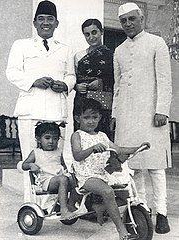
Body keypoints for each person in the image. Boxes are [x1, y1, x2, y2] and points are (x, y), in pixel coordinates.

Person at [111, 2, 172, 234]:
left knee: (155, 166)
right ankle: (142, 210)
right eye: (123, 21)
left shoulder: (157, 43)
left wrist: (162, 110)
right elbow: (117, 86)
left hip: (151, 113)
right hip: (126, 115)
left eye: (132, 19)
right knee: (133, 167)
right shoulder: (119, 50)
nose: (128, 24)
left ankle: (162, 213)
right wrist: (116, 114)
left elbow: (164, 80)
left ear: (142, 19)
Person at [6, 1, 76, 201]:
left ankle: (55, 204)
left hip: (56, 111)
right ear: (35, 22)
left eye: (50, 19)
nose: (46, 23)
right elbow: (12, 72)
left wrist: (65, 84)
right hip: (30, 110)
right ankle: (32, 204)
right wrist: (33, 81)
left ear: (56, 23)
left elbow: (71, 75)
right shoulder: (21, 45)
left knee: (56, 160)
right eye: (42, 19)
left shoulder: (65, 49)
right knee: (31, 158)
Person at [71, 98, 149, 240]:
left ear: (100, 118)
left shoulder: (102, 136)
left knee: (126, 196)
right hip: (86, 176)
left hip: (104, 174)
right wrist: (92, 148)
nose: (91, 121)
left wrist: (137, 148)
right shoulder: (77, 136)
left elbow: (118, 149)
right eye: (86, 117)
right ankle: (121, 230)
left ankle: (102, 208)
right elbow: (77, 155)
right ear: (78, 118)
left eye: (94, 117)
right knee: (107, 191)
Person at [73, 19, 114, 139]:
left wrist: (101, 82)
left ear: (101, 32)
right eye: (87, 34)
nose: (91, 37)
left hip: (102, 102)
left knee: (101, 134)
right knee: (83, 136)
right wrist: (76, 86)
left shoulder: (111, 54)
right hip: (82, 100)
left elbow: (117, 79)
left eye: (94, 32)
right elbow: (72, 77)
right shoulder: (79, 56)